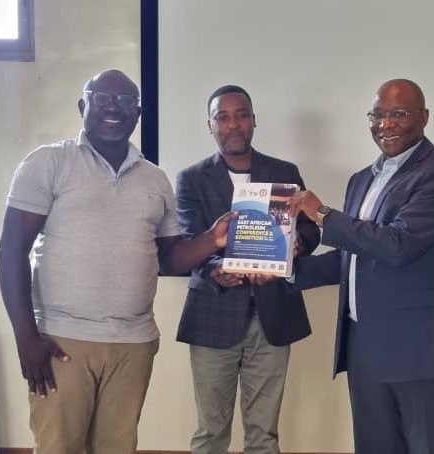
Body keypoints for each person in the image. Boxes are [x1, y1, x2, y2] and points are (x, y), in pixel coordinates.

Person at [0, 69, 235, 454]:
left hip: (133, 345)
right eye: (102, 97)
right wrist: (26, 338)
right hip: (63, 342)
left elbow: (170, 258)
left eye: (125, 101)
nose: (113, 107)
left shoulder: (155, 179)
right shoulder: (47, 163)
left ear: (137, 113)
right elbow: (10, 252)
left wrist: (212, 239)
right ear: (83, 105)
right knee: (59, 447)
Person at [288, 79, 434, 454]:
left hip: (421, 352)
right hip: (366, 348)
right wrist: (287, 268)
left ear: (424, 117)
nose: (385, 124)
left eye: (398, 114)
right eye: (378, 115)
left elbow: (397, 245)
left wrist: (321, 214)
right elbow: (351, 257)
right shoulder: (361, 180)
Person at [175, 85, 320, 454]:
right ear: (210, 125)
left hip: (272, 315)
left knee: (264, 434)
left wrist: (294, 245)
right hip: (213, 314)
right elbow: (191, 241)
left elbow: (308, 229)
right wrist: (215, 268)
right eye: (222, 117)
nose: (233, 124)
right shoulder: (191, 179)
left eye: (241, 115)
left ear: (253, 121)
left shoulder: (285, 173)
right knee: (210, 432)